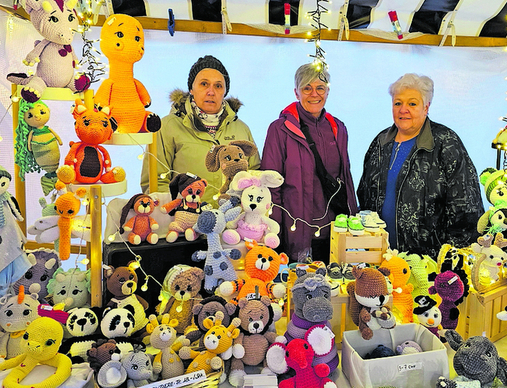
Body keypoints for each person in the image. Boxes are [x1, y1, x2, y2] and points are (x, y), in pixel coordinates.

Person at [357, 73, 483, 253]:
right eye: (398, 103)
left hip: (429, 262)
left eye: (412, 103)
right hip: (380, 257)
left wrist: (450, 258)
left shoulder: (446, 142)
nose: (403, 109)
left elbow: (467, 206)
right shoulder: (380, 142)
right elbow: (363, 194)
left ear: (426, 107)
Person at [261, 63, 358, 262]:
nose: (314, 94)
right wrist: (274, 232)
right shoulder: (280, 130)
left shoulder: (338, 128)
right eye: (307, 88)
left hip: (334, 231)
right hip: (296, 231)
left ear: (328, 91)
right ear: (296, 93)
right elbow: (271, 186)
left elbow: (346, 179)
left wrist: (353, 222)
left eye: (320, 88)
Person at [141, 55, 260, 203]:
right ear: (191, 88)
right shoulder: (167, 127)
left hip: (233, 222)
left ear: (225, 91)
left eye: (218, 86)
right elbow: (155, 182)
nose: (211, 91)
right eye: (204, 84)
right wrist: (179, 212)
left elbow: (255, 176)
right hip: (184, 221)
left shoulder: (241, 129)